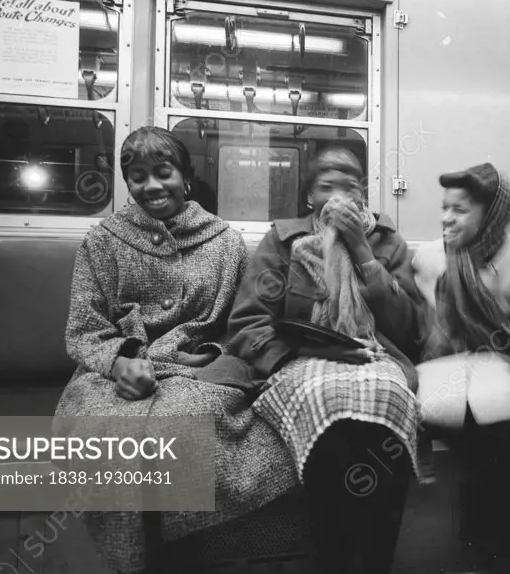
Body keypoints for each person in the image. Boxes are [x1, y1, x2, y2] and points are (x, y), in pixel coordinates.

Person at [54, 126, 298, 574]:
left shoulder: (224, 242)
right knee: (107, 436)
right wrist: (118, 360)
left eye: (162, 172)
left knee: (182, 428)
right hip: (110, 374)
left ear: (185, 178)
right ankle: (138, 560)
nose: (151, 186)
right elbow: (84, 330)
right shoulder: (102, 242)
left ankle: (184, 557)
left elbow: (243, 323)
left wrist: (208, 352)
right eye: (138, 176)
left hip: (200, 372)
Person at [213, 147, 422, 574]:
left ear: (364, 196)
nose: (340, 196)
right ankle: (339, 562)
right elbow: (250, 321)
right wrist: (302, 351)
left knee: (388, 403)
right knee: (329, 409)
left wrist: (362, 251)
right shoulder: (285, 241)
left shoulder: (386, 242)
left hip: (373, 355)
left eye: (351, 187)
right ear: (310, 197)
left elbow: (409, 328)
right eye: (328, 187)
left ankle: (376, 561)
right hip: (300, 358)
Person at [411, 163, 510, 574]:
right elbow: (417, 326)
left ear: (492, 215)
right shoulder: (428, 259)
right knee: (479, 436)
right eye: (445, 208)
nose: (447, 218)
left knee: (497, 435)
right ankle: (488, 557)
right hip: (441, 370)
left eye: (461, 210)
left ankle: (503, 558)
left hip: (500, 369)